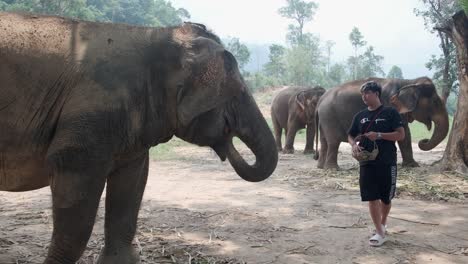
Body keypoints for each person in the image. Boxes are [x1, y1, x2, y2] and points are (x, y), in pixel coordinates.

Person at [347, 81, 405, 247]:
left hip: (387, 161)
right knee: (371, 197)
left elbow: (400, 135)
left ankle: (383, 222)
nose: (364, 97)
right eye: (362, 94)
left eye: (367, 93)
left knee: (386, 198)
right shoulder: (360, 116)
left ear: (377, 94)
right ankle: (379, 231)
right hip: (367, 162)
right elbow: (350, 135)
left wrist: (379, 135)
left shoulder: (390, 113)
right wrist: (354, 145)